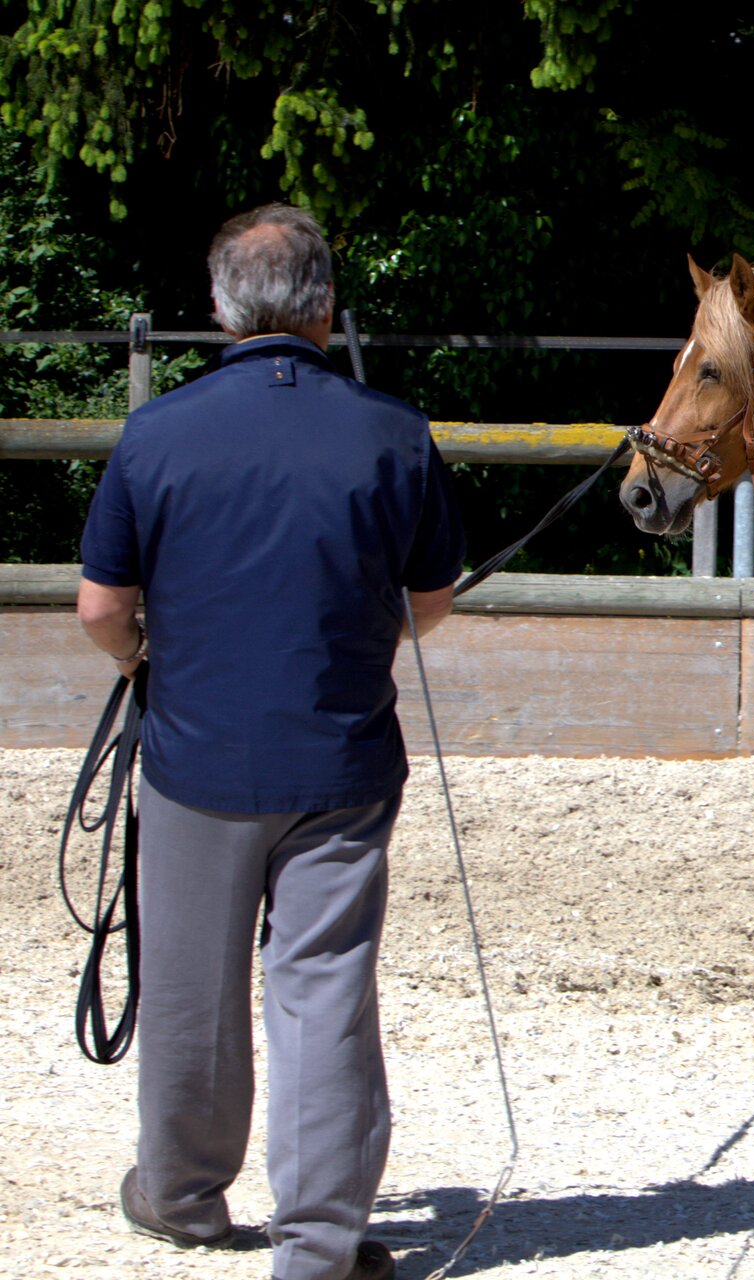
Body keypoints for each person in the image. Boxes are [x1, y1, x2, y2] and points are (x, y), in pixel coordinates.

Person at [76, 203, 465, 1280]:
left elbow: (102, 606)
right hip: (341, 761)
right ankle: (320, 1244)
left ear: (218, 309)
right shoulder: (394, 430)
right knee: (325, 985)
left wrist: (141, 663)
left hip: (195, 760)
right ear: (326, 306)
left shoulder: (156, 432)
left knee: (193, 982)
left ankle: (184, 1196)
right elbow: (429, 600)